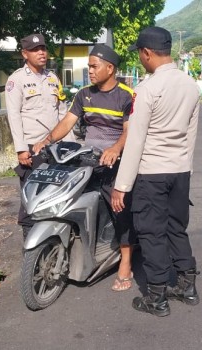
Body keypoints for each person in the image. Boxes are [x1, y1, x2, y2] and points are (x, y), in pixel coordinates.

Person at [111, 27, 200, 317]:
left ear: (147, 53)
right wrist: (185, 169)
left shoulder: (147, 89)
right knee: (176, 228)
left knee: (151, 233)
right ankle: (187, 286)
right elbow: (191, 134)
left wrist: (121, 185)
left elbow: (135, 140)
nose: (140, 59)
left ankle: (157, 297)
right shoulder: (190, 85)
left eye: (140, 54)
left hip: (152, 173)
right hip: (180, 170)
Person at [33, 44, 136, 292]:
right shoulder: (83, 94)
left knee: (120, 209)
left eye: (94, 66)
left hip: (115, 161)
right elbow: (68, 122)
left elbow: (128, 131)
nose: (89, 70)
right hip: (88, 159)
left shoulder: (126, 96)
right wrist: (46, 142)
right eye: (89, 66)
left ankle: (126, 264)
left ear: (110, 68)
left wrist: (115, 149)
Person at [5, 33, 75, 239]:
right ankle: (29, 242)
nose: (41, 53)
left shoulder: (53, 78)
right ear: (24, 54)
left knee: (55, 194)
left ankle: (52, 240)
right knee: (31, 197)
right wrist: (20, 149)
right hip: (31, 148)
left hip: (55, 148)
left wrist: (70, 144)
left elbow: (62, 113)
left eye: (43, 48)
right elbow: (14, 116)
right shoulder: (16, 80)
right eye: (35, 50)